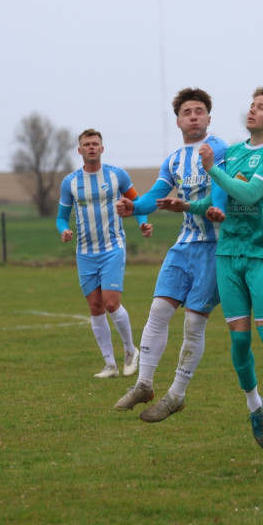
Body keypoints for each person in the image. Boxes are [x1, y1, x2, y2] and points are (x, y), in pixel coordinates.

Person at [159, 86, 263, 464]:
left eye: (260, 107)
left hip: (261, 255)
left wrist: (212, 167)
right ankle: (255, 409)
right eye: (251, 104)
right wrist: (185, 204)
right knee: (239, 343)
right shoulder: (232, 152)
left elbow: (248, 196)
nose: (252, 110)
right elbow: (223, 200)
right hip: (228, 255)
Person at [113, 87, 228, 422]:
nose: (193, 116)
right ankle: (143, 384)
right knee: (158, 310)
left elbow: (221, 188)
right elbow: (156, 195)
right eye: (187, 112)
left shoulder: (220, 148)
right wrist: (134, 206)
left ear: (208, 117)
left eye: (199, 111)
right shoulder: (174, 160)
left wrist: (218, 209)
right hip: (184, 245)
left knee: (194, 322)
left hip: (215, 247)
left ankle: (176, 394)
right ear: (177, 120)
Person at [57, 129, 152, 378]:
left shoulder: (116, 175)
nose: (91, 147)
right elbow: (60, 218)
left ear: (102, 148)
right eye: (86, 144)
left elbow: (137, 203)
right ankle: (109, 365)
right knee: (95, 307)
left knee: (111, 302)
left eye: (95, 144)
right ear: (79, 150)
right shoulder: (70, 182)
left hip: (113, 248)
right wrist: (64, 230)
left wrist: (142, 222)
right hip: (85, 252)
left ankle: (131, 350)